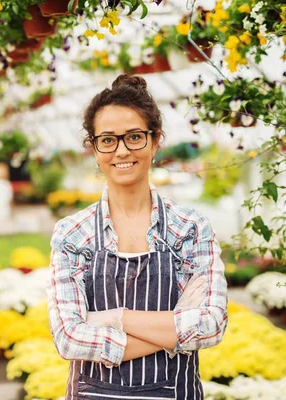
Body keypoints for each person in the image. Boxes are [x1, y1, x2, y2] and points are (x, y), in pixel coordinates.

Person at [47, 75, 228, 399]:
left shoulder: (189, 228)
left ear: (155, 140)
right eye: (108, 140)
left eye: (134, 137)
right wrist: (174, 329)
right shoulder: (73, 233)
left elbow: (212, 325)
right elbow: (69, 338)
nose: (121, 151)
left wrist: (113, 318)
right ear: (94, 147)